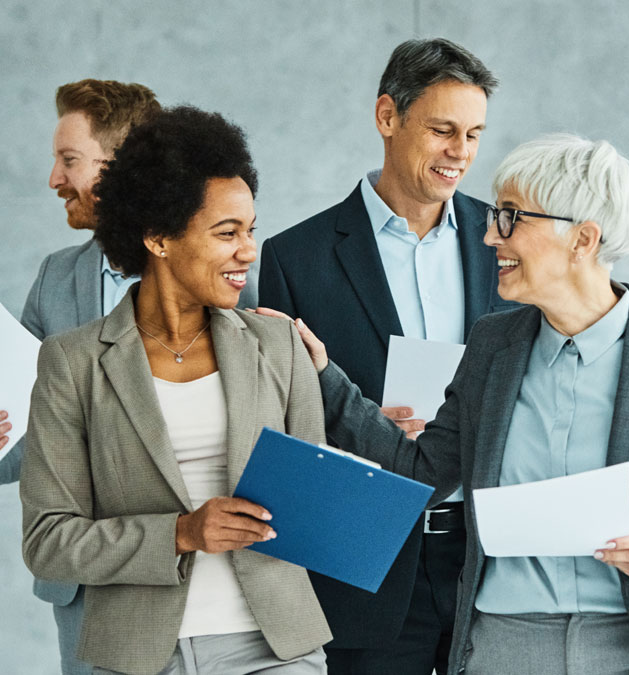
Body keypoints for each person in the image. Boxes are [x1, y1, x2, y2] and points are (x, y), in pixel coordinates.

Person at [297, 134, 629, 674]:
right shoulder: (493, 345)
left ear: (583, 238)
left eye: (510, 218)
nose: (489, 235)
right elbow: (423, 471)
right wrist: (322, 374)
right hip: (504, 647)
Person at [20, 106, 331, 675]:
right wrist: (182, 533)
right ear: (159, 238)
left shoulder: (278, 345)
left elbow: (312, 504)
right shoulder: (73, 363)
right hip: (139, 655)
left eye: (251, 230)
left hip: (276, 648)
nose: (249, 251)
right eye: (227, 233)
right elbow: (49, 541)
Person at [258, 38, 512, 674]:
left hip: (491, 568)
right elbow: (283, 426)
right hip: (362, 569)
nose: (460, 153)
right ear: (387, 117)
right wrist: (365, 432)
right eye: (443, 130)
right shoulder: (298, 257)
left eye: (474, 134)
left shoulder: (507, 241)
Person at [0, 78, 160, 675]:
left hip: (184, 563)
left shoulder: (218, 274)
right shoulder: (55, 277)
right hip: (82, 586)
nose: (53, 180)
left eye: (69, 160)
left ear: (119, 170)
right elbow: (27, 433)